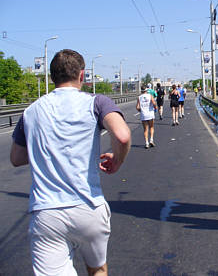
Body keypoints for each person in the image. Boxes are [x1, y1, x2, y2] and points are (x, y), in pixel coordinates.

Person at [10, 49, 131, 276]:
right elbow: (122, 135)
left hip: (47, 212)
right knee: (97, 270)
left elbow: (16, 158)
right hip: (89, 207)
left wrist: (45, 150)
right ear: (82, 75)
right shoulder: (96, 102)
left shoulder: (30, 112)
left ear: (51, 76)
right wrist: (118, 159)